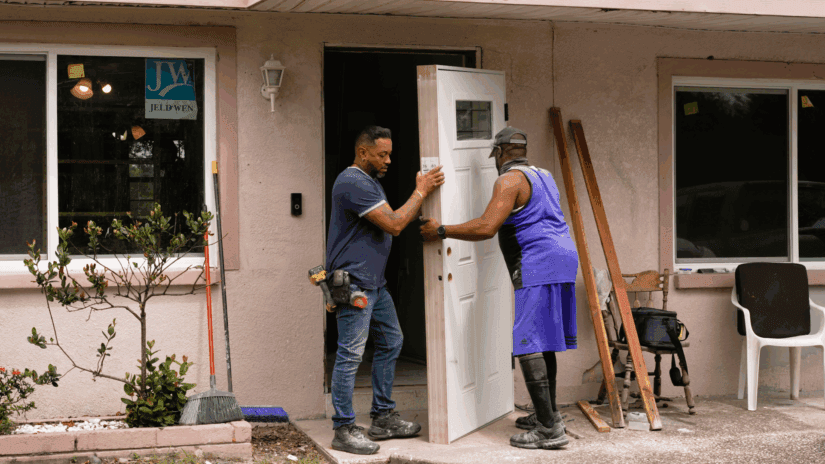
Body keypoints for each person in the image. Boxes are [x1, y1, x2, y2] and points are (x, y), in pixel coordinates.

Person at [420, 126, 578, 450]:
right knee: (544, 339)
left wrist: (442, 230)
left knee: (526, 341)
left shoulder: (508, 180)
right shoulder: (544, 175)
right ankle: (548, 415)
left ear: (501, 153)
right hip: (563, 257)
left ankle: (549, 430)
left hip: (538, 261)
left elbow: (487, 226)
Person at [326, 125, 445, 455]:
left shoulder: (370, 182)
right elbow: (393, 223)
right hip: (354, 286)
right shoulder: (351, 181)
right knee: (350, 355)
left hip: (375, 285)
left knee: (392, 341)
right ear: (363, 152)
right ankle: (343, 427)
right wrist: (421, 192)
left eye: (390, 154)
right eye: (383, 154)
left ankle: (382, 417)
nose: (389, 160)